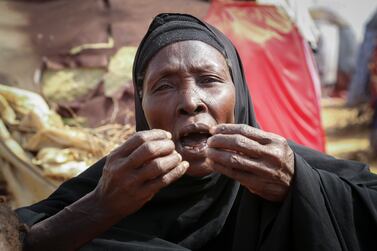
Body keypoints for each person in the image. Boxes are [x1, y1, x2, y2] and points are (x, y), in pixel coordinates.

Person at [17, 13, 377, 251]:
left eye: (209, 80)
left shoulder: (285, 167)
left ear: (240, 95)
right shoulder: (109, 188)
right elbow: (20, 241)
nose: (190, 102)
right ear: (141, 107)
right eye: (163, 86)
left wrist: (302, 187)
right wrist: (99, 208)